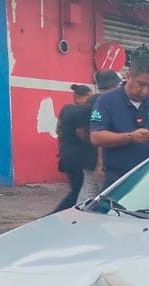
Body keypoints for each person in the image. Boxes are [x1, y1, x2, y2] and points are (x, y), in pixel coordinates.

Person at [89, 54, 149, 187]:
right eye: (141, 84)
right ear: (128, 76)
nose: (145, 91)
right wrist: (130, 137)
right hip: (117, 178)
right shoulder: (106, 101)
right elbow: (96, 137)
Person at [76, 70, 123, 204]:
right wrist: (100, 163)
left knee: (88, 192)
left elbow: (80, 130)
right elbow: (102, 137)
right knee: (103, 196)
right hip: (101, 161)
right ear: (113, 85)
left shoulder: (90, 101)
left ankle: (80, 214)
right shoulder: (109, 103)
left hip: (87, 156)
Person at [53, 84, 93, 212]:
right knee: (78, 191)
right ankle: (55, 215)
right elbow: (82, 135)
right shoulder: (79, 112)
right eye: (87, 97)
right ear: (78, 97)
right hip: (77, 157)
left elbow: (58, 129)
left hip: (66, 154)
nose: (89, 101)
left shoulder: (66, 109)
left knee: (78, 190)